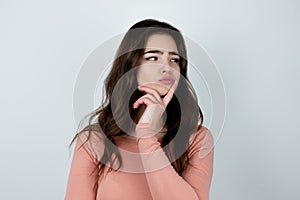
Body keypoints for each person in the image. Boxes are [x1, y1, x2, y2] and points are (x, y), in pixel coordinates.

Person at [65, 19, 214, 200]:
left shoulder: (197, 139)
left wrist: (146, 137)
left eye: (174, 59)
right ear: (131, 66)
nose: (167, 67)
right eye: (153, 57)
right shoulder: (94, 141)